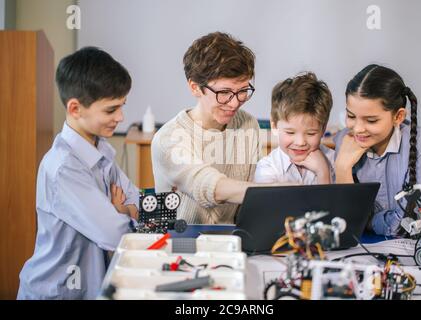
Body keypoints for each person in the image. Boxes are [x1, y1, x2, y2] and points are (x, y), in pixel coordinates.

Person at [17, 47, 139, 299]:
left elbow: (141, 204)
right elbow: (116, 235)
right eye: (110, 110)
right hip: (57, 291)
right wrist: (125, 212)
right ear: (75, 109)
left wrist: (126, 211)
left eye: (122, 106)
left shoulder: (102, 152)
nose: (121, 117)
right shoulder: (64, 168)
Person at [151, 32, 262, 224]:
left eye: (243, 91)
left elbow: (246, 207)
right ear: (195, 87)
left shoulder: (248, 125)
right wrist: (276, 192)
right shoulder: (168, 139)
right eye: (224, 92)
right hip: (181, 244)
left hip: (230, 241)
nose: (234, 103)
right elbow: (208, 185)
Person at [334, 64, 421, 236]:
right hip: (373, 245)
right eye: (351, 116)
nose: (357, 128)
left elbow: (407, 224)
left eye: (371, 120)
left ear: (398, 116)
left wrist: (366, 221)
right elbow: (345, 223)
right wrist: (342, 169)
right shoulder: (346, 139)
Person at [254, 72, 334, 184]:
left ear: (323, 129)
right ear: (274, 125)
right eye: (290, 132)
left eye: (311, 133)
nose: (300, 142)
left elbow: (338, 201)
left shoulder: (334, 160)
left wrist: (323, 172)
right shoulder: (267, 168)